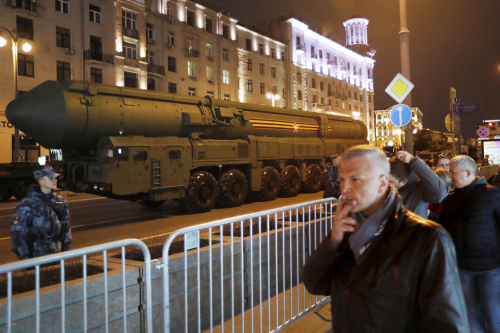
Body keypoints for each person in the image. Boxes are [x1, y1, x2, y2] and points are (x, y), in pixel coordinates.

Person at [303, 145, 468, 332]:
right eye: (342, 179)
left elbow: (447, 325)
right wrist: (332, 243)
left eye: (356, 179)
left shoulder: (428, 238)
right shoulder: (347, 229)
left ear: (383, 183)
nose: (344, 189)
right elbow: (315, 285)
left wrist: (414, 161)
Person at [438, 155, 500, 332]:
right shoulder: (450, 200)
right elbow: (442, 229)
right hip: (462, 268)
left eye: (452, 173)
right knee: (469, 315)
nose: (450, 176)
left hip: (491, 268)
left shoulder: (493, 195)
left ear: (467, 173)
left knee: (493, 315)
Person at [11, 168, 72, 260]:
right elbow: (18, 232)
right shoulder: (27, 203)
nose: (54, 181)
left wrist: (66, 248)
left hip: (57, 250)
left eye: (54, 178)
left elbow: (66, 225)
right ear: (41, 182)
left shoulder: (60, 200)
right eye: (50, 179)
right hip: (36, 252)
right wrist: (25, 257)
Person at [388, 151, 449, 218]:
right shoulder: (382, 191)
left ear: (403, 182)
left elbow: (440, 193)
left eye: (390, 182)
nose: (385, 184)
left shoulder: (419, 189)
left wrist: (413, 161)